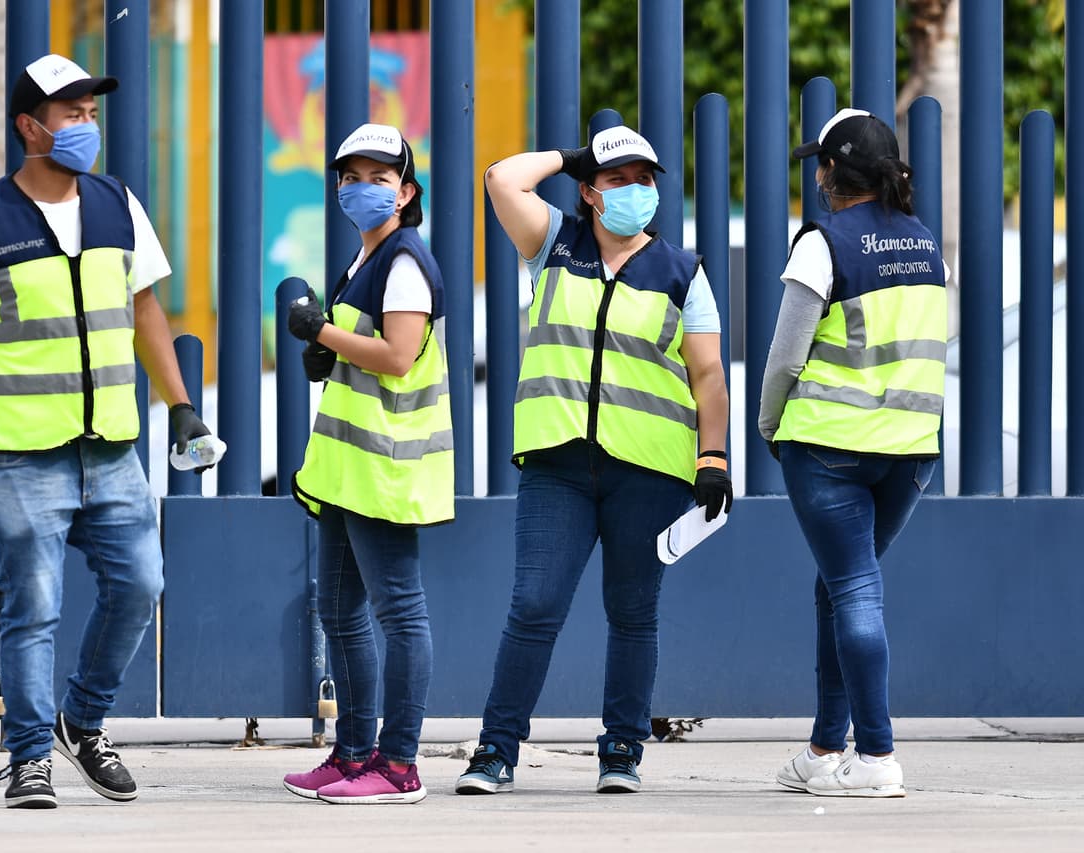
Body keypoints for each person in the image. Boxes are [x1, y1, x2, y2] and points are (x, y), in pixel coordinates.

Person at [0, 54, 213, 809]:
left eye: (89, 111)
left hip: (109, 446)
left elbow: (144, 309)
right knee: (33, 603)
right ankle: (29, 754)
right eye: (69, 112)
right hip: (15, 450)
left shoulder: (117, 205)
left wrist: (179, 403)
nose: (84, 124)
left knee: (142, 582)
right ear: (28, 126)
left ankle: (84, 720)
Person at [455, 122, 732, 796]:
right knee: (535, 603)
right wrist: (568, 155)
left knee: (633, 610)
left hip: (649, 467)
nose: (636, 189)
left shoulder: (681, 270)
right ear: (589, 191)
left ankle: (622, 750)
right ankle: (496, 750)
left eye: (645, 179)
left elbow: (708, 375)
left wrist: (714, 457)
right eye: (618, 178)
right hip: (558, 463)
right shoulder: (554, 243)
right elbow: (500, 179)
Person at [760, 108, 948, 798]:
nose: (816, 173)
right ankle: (822, 749)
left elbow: (785, 354)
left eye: (820, 162)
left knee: (853, 589)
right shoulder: (929, 246)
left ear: (834, 172)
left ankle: (875, 755)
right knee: (838, 586)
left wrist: (770, 423)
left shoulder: (822, 242)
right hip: (910, 452)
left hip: (831, 446)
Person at [281, 123, 452, 805]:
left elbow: (400, 355)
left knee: (398, 613)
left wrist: (320, 331)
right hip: (347, 471)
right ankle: (352, 752)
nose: (361, 188)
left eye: (379, 177)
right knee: (340, 610)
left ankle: (400, 764)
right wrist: (332, 350)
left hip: (385, 466)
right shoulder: (364, 261)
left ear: (407, 192)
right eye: (350, 177)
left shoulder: (404, 260)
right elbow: (367, 349)